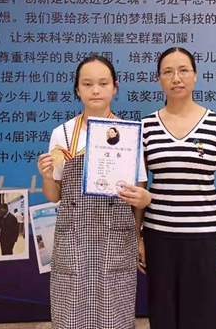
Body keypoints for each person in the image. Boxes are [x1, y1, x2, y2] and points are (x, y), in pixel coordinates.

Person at [36, 55, 151, 329]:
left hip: (116, 235)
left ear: (115, 87)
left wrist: (138, 235)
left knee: (115, 313)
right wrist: (46, 176)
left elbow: (140, 193)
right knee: (71, 313)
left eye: (103, 83)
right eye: (87, 84)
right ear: (77, 89)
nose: (95, 90)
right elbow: (54, 196)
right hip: (73, 235)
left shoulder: (129, 134)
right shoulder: (62, 134)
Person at [139, 47, 216, 329]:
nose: (176, 78)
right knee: (164, 319)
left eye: (183, 70)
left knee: (206, 318)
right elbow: (140, 184)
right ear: (159, 79)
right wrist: (137, 237)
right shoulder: (146, 127)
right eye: (168, 72)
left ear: (195, 75)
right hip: (159, 238)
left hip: (205, 238)